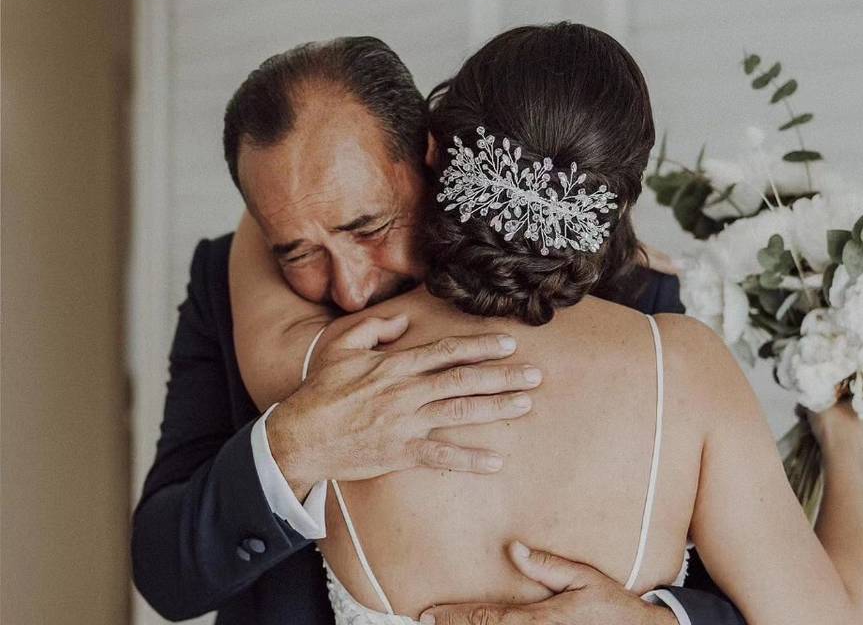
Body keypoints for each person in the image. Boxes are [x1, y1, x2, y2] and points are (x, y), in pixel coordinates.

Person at [229, 24, 863, 625]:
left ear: (437, 157)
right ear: (618, 196)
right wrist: (847, 457)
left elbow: (272, 227)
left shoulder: (335, 371)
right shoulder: (684, 370)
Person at [131, 35, 747, 624]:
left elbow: (753, 587)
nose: (350, 287)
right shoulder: (225, 281)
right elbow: (164, 571)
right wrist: (294, 450)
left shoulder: (634, 298)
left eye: (369, 227)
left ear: (432, 158)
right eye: (296, 252)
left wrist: (657, 624)